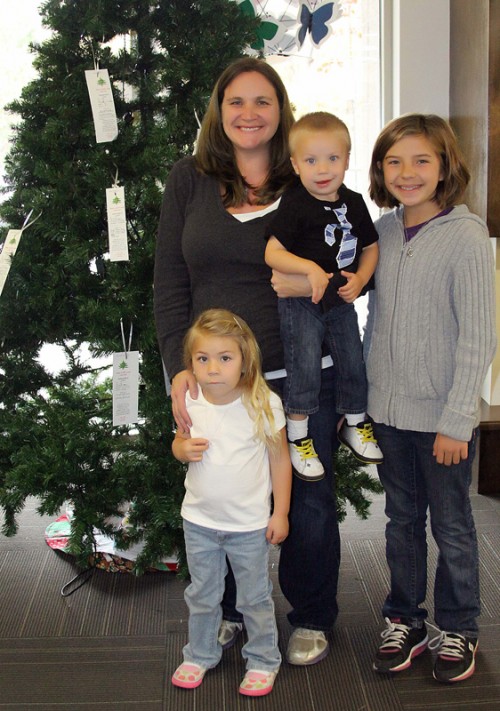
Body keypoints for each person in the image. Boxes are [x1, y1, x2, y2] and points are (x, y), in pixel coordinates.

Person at [154, 57, 341, 666]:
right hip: (215, 380)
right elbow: (169, 280)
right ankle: (231, 611)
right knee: (223, 492)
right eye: (236, 101)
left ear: (280, 110)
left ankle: (311, 615)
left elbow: (340, 262)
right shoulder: (189, 178)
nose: (249, 113)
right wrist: (177, 366)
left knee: (307, 501)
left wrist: (310, 280)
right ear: (219, 109)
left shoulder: (306, 177)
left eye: (263, 101)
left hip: (299, 371)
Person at [366, 113, 496, 683]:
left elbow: (478, 337)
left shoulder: (466, 236)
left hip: (443, 419)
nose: (407, 172)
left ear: (445, 166)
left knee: (452, 524)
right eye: (394, 161)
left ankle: (460, 626)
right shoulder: (384, 230)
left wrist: (458, 419)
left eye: (421, 160)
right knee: (400, 520)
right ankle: (405, 618)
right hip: (389, 412)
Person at [170, 309, 291, 696]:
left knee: (254, 597)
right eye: (203, 359)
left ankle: (263, 659)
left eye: (225, 358)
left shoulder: (262, 403)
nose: (213, 368)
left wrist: (281, 512)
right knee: (202, 594)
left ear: (244, 360)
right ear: (191, 363)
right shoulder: (191, 400)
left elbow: (280, 460)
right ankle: (200, 653)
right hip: (199, 521)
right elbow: (177, 441)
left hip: (248, 526)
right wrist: (181, 448)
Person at [265, 111, 383, 480]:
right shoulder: (296, 202)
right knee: (304, 368)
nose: (323, 168)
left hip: (340, 300)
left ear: (347, 160)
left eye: (333, 158)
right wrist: (310, 269)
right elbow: (272, 252)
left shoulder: (354, 201)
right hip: (300, 304)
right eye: (311, 160)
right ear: (296, 164)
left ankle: (355, 421)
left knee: (352, 358)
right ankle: (298, 437)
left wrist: (362, 278)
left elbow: (371, 246)